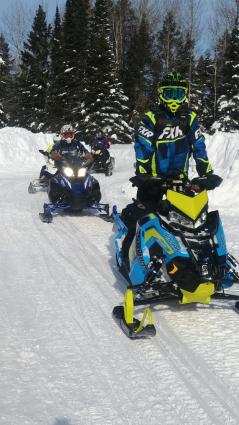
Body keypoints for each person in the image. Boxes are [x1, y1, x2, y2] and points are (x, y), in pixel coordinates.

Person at [120, 71, 215, 266]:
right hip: (154, 181)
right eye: (170, 94)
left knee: (192, 223)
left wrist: (207, 173)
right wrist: (144, 174)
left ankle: (199, 263)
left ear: (185, 95)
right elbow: (143, 148)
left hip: (180, 181)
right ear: (161, 94)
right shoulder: (151, 118)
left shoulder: (189, 118)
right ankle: (126, 257)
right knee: (142, 219)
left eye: (178, 94)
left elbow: (198, 146)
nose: (174, 99)